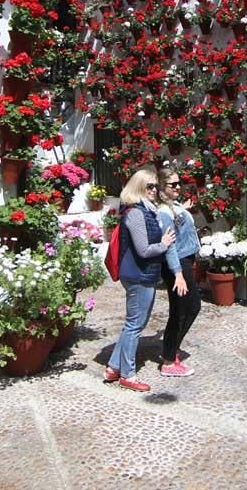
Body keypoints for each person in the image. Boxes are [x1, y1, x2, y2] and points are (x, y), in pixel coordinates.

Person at [103, 167, 176, 392]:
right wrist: (164, 243)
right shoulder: (136, 213)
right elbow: (143, 250)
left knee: (133, 324)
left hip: (142, 274)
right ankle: (128, 374)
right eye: (149, 186)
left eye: (155, 186)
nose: (154, 190)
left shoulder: (146, 210)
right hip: (138, 275)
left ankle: (114, 366)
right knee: (135, 325)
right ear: (138, 187)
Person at [157, 168, 200, 377]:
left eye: (178, 183)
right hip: (178, 263)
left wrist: (183, 209)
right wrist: (178, 274)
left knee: (189, 308)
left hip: (185, 261)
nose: (177, 187)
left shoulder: (172, 207)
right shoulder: (164, 213)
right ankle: (168, 359)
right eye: (172, 184)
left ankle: (171, 348)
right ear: (162, 188)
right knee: (182, 310)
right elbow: (170, 246)